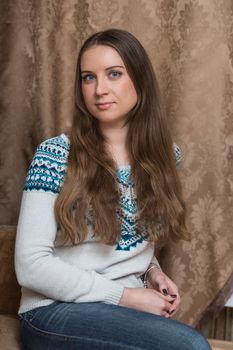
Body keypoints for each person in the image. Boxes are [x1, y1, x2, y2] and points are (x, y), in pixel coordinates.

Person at [15, 28, 211, 350]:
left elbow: (131, 243)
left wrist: (152, 272)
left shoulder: (165, 157)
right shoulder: (55, 155)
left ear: (140, 79)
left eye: (114, 74)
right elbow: (31, 266)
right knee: (189, 346)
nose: (99, 89)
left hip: (118, 308)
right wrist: (127, 297)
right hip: (53, 311)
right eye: (89, 77)